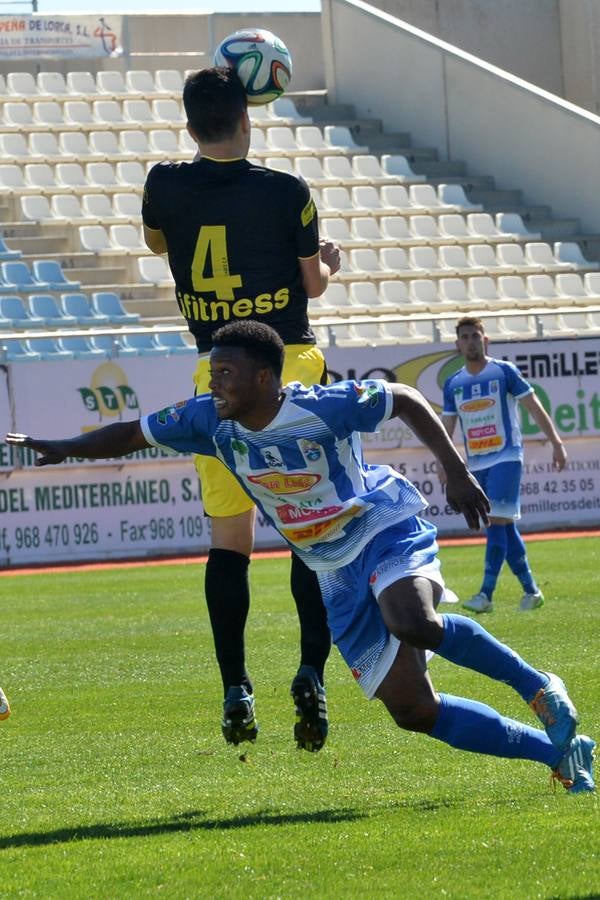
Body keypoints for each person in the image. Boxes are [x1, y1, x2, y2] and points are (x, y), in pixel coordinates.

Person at [6, 320, 594, 794]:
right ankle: (561, 753)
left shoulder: (327, 405)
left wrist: (456, 472)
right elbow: (130, 433)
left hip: (380, 525)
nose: (215, 384)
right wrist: (62, 447)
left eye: (226, 373)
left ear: (264, 376)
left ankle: (541, 688)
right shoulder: (207, 421)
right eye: (213, 373)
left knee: (411, 620)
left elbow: (406, 398)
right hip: (330, 568)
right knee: (414, 710)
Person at [141, 66, 341, 750]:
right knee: (311, 532)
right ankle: (312, 670)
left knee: (229, 543)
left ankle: (236, 687)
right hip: (290, 364)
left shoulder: (162, 184)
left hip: (217, 370)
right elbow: (312, 282)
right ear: (251, 117)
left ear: (190, 125)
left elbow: (159, 244)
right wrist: (329, 261)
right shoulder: (288, 192)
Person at [441, 316, 568, 613]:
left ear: (485, 340)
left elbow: (534, 407)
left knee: (496, 521)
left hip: (507, 456)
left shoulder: (504, 372)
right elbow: (447, 424)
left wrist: (557, 443)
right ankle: (532, 592)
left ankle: (486, 594)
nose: (471, 341)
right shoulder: (454, 383)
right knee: (503, 525)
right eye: (465, 336)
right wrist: (444, 461)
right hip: (477, 463)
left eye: (476, 336)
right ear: (458, 344)